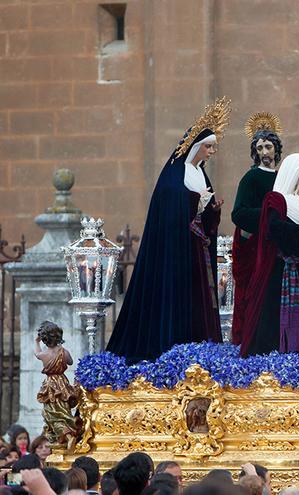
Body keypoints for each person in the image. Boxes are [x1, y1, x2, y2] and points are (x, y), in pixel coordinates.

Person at [107, 97, 230, 363]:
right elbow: (172, 206)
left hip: (197, 252)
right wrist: (198, 203)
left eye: (213, 148)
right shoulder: (175, 175)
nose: (211, 152)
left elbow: (204, 218)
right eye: (208, 147)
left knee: (199, 304)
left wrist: (212, 210)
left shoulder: (200, 174)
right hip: (177, 252)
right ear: (195, 146)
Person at [237, 153, 299, 357]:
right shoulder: (275, 199)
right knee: (272, 316)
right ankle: (271, 356)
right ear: (293, 172)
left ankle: (295, 353)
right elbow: (274, 229)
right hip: (277, 270)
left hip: (298, 269)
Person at [231, 113, 284, 343]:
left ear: (276, 150)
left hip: (275, 244)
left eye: (268, 146)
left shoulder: (283, 177)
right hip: (254, 245)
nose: (264, 152)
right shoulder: (250, 178)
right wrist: (266, 216)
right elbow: (239, 213)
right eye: (260, 147)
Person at [34, 322, 80, 446]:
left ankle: (66, 436)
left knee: (52, 412)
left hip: (50, 385)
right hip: (63, 383)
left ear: (44, 339)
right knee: (64, 410)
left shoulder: (44, 354)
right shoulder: (63, 352)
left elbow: (37, 354)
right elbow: (70, 362)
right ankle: (66, 435)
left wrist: (36, 342)